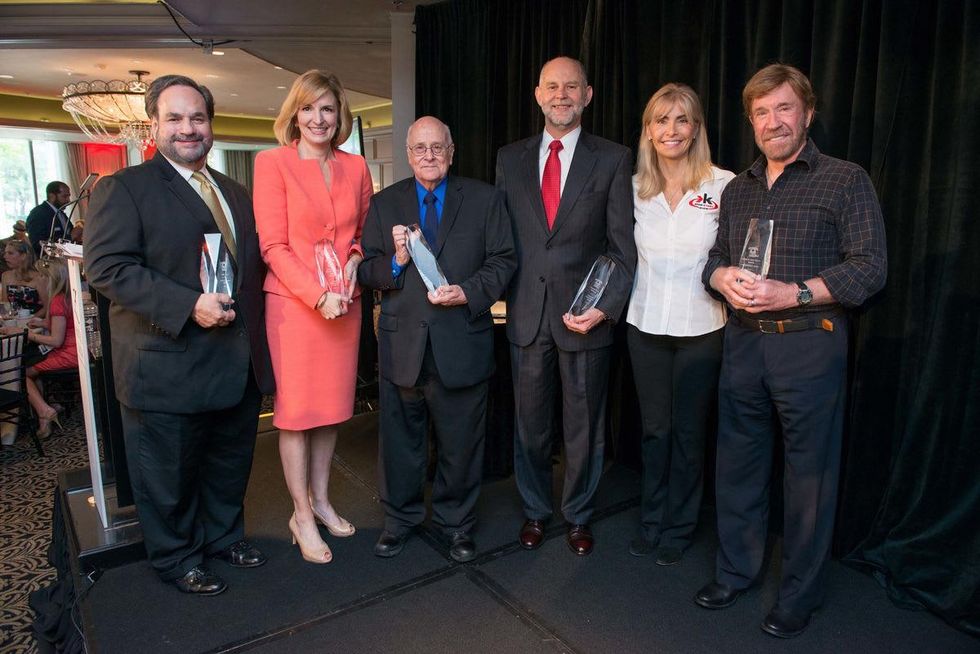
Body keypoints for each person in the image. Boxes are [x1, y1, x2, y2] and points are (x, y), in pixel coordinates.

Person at [694, 64, 887, 637]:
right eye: (761, 112)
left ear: (807, 112)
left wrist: (796, 292)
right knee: (738, 468)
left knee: (810, 479)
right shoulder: (738, 189)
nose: (772, 122)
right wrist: (721, 276)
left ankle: (800, 595)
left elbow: (870, 268)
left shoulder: (845, 180)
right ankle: (736, 572)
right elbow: (713, 260)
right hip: (744, 347)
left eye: (783, 109)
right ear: (750, 121)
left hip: (809, 345)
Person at [84, 74, 275, 596]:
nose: (188, 128)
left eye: (198, 117)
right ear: (154, 125)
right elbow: (107, 269)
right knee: (167, 475)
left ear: (210, 124)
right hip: (166, 361)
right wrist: (189, 304)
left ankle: (222, 538)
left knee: (227, 464)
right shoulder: (123, 188)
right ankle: (176, 559)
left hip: (234, 361)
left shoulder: (233, 191)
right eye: (175, 118)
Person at [359, 116, 516, 562]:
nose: (429, 156)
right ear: (408, 155)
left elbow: (504, 261)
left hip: (461, 341)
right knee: (399, 444)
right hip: (403, 346)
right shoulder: (386, 203)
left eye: (437, 148)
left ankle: (456, 523)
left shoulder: (486, 200)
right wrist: (396, 260)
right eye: (420, 149)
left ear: (451, 152)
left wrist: (468, 291)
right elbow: (368, 269)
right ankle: (399, 520)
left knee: (461, 443)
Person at [495, 56, 635, 556]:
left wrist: (604, 307)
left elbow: (621, 248)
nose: (561, 95)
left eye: (571, 87)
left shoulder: (614, 158)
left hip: (586, 319)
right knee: (529, 428)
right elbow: (503, 241)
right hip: (527, 315)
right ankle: (535, 511)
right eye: (552, 86)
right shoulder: (508, 159)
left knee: (584, 429)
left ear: (588, 94)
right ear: (537, 94)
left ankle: (578, 515)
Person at [252, 70, 373, 564]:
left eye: (327, 109)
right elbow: (273, 246)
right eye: (308, 108)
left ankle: (322, 499)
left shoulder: (358, 166)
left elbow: (365, 232)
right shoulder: (272, 163)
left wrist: (354, 261)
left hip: (345, 303)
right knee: (297, 415)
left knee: (331, 411)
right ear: (294, 114)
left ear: (340, 114)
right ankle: (300, 512)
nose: (318, 118)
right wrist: (315, 295)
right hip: (294, 307)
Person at [626, 84, 734, 566]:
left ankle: (680, 526)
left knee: (690, 434)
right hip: (645, 326)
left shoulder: (725, 185)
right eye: (661, 120)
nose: (672, 130)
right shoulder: (632, 188)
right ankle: (651, 520)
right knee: (655, 432)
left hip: (702, 329)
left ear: (696, 129)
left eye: (682, 120)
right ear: (648, 131)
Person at [0, 260, 77, 437]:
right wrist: (42, 322)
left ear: (51, 279)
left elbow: (56, 341)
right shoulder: (65, 297)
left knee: (22, 372)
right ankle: (48, 404)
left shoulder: (57, 301)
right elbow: (63, 324)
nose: (40, 279)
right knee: (31, 361)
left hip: (67, 353)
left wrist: (24, 333)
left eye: (42, 275)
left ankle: (44, 411)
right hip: (73, 350)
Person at [26, 181, 73, 258]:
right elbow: (38, 245)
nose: (68, 200)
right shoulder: (38, 214)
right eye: (65, 196)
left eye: (68, 196)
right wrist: (70, 237)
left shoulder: (60, 213)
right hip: (49, 262)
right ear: (52, 196)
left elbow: (69, 231)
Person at [1, 240, 45, 315]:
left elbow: (47, 307)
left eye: (10, 253)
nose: (5, 256)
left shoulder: (40, 277)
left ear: (23, 256)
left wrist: (30, 320)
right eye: (5, 253)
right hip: (13, 321)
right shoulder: (6, 276)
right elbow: (6, 304)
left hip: (34, 322)